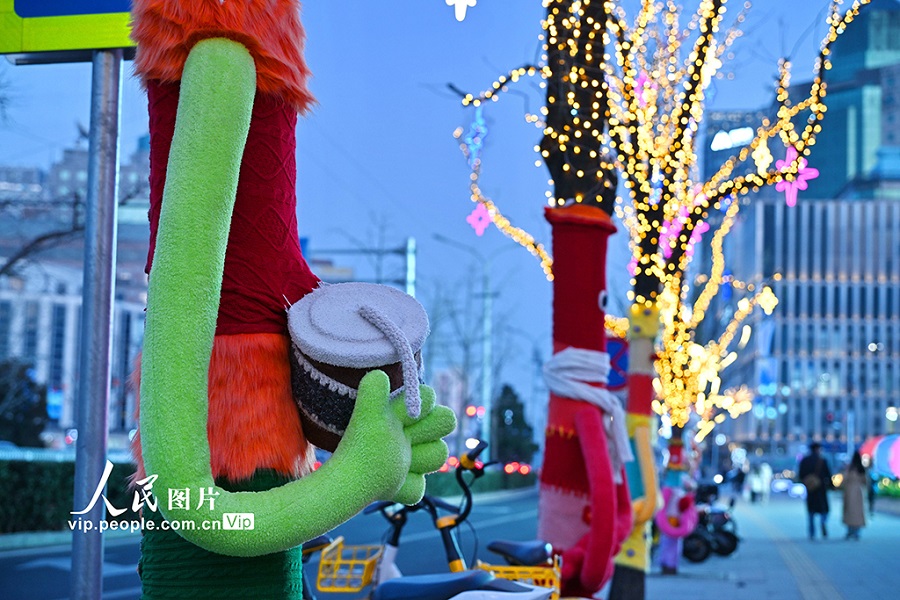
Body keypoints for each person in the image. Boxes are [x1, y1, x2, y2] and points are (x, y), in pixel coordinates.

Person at [798, 442, 833, 540]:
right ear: (818, 449)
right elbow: (828, 475)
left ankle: (812, 532)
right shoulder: (822, 460)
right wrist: (831, 486)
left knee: (811, 511)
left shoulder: (805, 460)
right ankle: (823, 523)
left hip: (810, 489)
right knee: (824, 510)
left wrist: (808, 482)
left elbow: (800, 475)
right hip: (821, 489)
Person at [842, 451, 867, 539]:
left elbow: (844, 479)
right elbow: (865, 481)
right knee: (858, 512)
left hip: (849, 491)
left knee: (849, 511)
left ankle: (850, 531)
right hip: (858, 492)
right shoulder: (861, 469)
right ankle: (857, 531)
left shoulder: (850, 468)